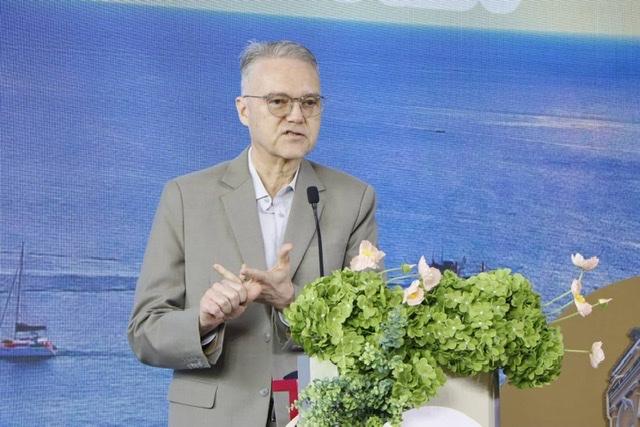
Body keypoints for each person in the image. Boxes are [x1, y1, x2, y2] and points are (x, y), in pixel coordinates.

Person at [128, 40, 378, 426]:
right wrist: (204, 320)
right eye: (278, 102)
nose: (297, 115)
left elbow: (369, 331)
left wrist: (293, 303)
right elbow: (146, 333)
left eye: (309, 102)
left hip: (313, 413)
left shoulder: (353, 199)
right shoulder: (185, 197)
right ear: (243, 110)